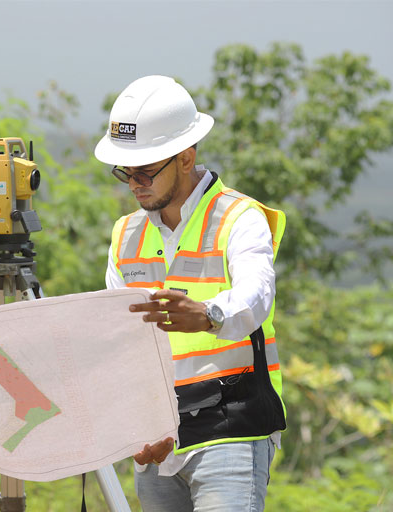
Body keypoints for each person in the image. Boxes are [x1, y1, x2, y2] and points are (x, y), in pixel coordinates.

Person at [95, 75, 287, 511]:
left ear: (186, 157)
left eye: (146, 169)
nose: (134, 182)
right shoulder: (125, 234)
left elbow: (257, 294)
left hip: (229, 427)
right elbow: (119, 340)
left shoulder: (239, 217)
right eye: (126, 171)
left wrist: (208, 313)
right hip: (157, 437)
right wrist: (133, 423)